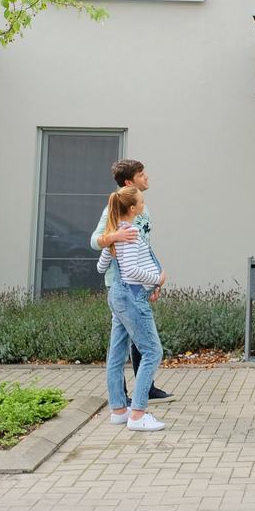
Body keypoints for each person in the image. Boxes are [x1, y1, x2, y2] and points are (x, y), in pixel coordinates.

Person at [90, 159, 173, 402]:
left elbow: (144, 249)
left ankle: (128, 400)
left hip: (138, 283)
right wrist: (114, 236)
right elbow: (96, 241)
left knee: (129, 343)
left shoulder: (142, 209)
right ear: (129, 183)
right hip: (125, 285)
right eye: (141, 174)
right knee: (143, 345)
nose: (147, 177)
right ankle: (135, 403)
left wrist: (154, 283)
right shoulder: (114, 209)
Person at [98, 185, 168, 431]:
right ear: (132, 208)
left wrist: (112, 241)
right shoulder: (132, 233)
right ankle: (137, 414)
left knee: (116, 354)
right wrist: (156, 279)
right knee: (152, 351)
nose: (144, 204)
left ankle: (119, 410)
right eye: (141, 201)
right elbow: (130, 272)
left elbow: (101, 266)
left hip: (117, 295)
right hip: (131, 297)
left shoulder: (117, 233)